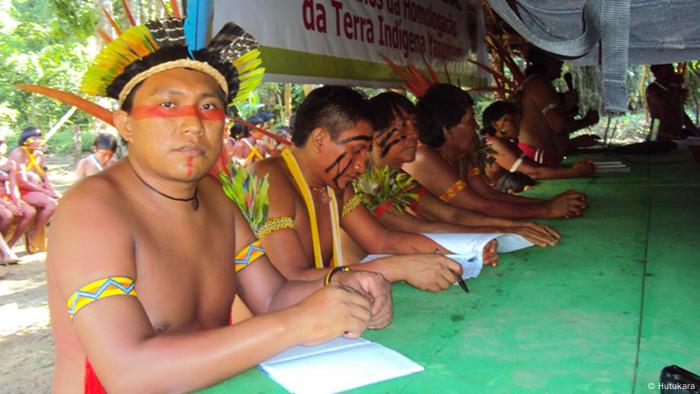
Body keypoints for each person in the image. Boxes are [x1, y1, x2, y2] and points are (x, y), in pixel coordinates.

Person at [40, 18, 391, 393]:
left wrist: (343, 286)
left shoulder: (215, 199)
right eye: (169, 103)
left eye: (208, 106)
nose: (192, 123)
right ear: (124, 124)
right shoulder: (91, 210)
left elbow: (271, 296)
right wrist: (298, 323)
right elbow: (130, 374)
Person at [248, 85, 491, 292]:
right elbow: (290, 279)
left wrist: (467, 253)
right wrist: (399, 268)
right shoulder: (268, 179)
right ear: (320, 139)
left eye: (365, 152)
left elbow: (383, 240)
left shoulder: (334, 184)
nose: (361, 165)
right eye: (355, 150)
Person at [356, 92, 560, 247]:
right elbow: (419, 228)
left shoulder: (397, 176)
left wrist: (512, 227)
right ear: (373, 135)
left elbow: (451, 215)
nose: (413, 133)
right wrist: (505, 228)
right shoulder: (364, 181)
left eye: (414, 124)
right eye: (402, 126)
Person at [402, 84, 588, 220]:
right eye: (469, 121)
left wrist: (551, 203)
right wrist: (548, 209)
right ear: (447, 130)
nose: (475, 126)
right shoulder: (424, 157)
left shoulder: (462, 153)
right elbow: (480, 206)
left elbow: (490, 196)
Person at [480, 100, 596, 189]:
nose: (517, 123)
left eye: (517, 119)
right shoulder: (492, 144)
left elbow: (535, 166)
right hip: (495, 199)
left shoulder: (507, 143)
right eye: (509, 119)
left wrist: (572, 168)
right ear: (495, 125)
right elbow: (532, 173)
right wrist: (575, 172)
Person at [517, 48, 600, 164]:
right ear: (548, 61)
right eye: (559, 59)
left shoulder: (537, 84)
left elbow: (550, 123)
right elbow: (558, 125)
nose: (562, 63)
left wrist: (567, 107)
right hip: (537, 153)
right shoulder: (539, 85)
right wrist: (587, 121)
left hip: (541, 152)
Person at [8, 127, 59, 251]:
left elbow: (43, 175)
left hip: (36, 189)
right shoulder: (18, 154)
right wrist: (44, 191)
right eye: (34, 138)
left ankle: (53, 237)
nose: (37, 141)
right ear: (25, 140)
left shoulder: (39, 154)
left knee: (62, 201)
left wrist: (50, 188)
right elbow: (21, 182)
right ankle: (34, 233)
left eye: (39, 138)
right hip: (20, 191)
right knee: (51, 204)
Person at [0, 135, 36, 256]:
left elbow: (13, 186)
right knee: (7, 215)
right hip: (1, 200)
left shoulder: (10, 163)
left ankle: (10, 245)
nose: (0, 147)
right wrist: (7, 205)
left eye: (2, 143)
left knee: (29, 212)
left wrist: (16, 203)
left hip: (6, 195)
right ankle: (2, 248)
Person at [646, 64, 700, 140]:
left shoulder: (672, 89)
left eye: (672, 70)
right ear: (656, 74)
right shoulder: (653, 89)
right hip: (658, 135)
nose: (672, 73)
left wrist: (697, 132)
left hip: (674, 137)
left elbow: (681, 114)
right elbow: (667, 107)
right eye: (667, 71)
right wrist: (674, 85)